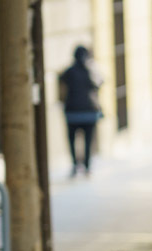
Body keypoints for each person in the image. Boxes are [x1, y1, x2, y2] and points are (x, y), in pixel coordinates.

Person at [58, 45, 103, 176]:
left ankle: (74, 164)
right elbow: (100, 83)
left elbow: (61, 82)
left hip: (72, 112)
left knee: (72, 140)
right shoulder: (90, 70)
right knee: (88, 140)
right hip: (88, 112)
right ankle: (87, 166)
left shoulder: (69, 71)